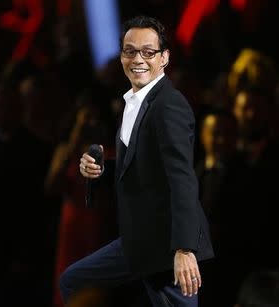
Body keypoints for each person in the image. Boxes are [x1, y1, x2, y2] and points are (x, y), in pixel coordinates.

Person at [59, 15, 214, 307]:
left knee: (75, 282)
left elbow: (181, 177)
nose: (138, 59)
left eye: (148, 52)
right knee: (75, 281)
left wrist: (184, 248)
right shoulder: (136, 103)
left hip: (167, 244)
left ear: (164, 58)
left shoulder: (169, 106)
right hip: (141, 240)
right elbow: (140, 169)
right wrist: (102, 169)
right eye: (130, 51)